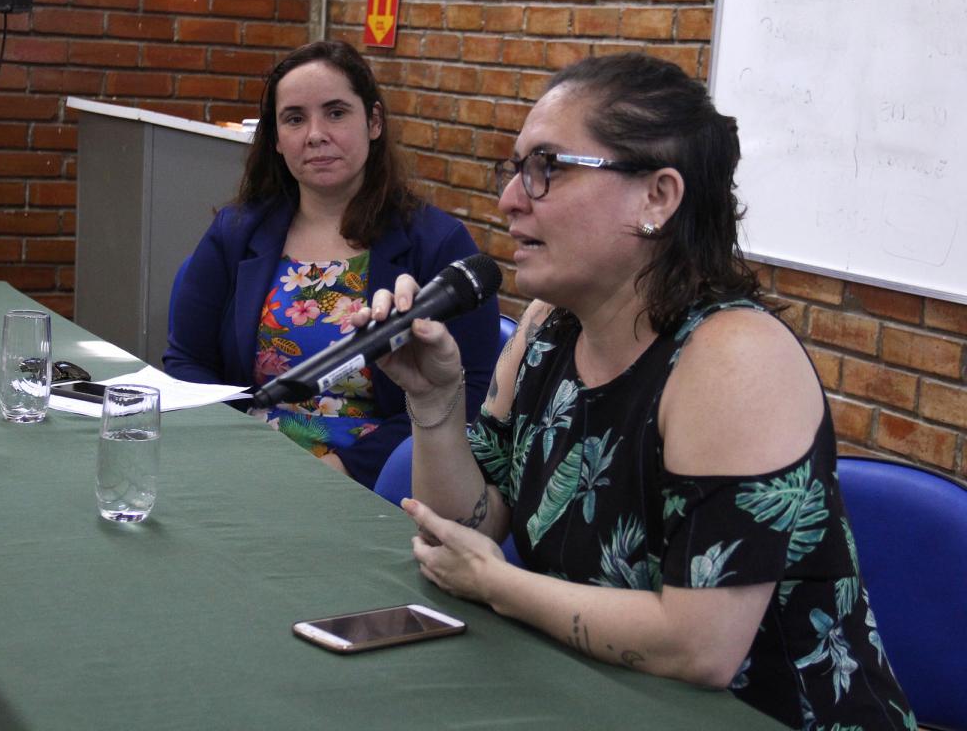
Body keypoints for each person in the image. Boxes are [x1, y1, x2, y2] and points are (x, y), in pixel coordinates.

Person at [358, 54, 912, 729]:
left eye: (548, 168)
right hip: (588, 696)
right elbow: (466, 531)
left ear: (658, 197)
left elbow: (700, 645)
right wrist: (435, 402)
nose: (509, 199)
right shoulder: (545, 329)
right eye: (514, 168)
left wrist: (496, 583)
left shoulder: (735, 359)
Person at [163, 40, 498, 489]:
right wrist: (238, 449)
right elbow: (187, 362)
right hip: (244, 464)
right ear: (277, 140)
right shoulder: (236, 232)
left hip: (378, 481)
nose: (315, 134)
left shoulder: (438, 244)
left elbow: (471, 394)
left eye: (336, 112)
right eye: (295, 119)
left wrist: (342, 473)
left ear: (374, 122)